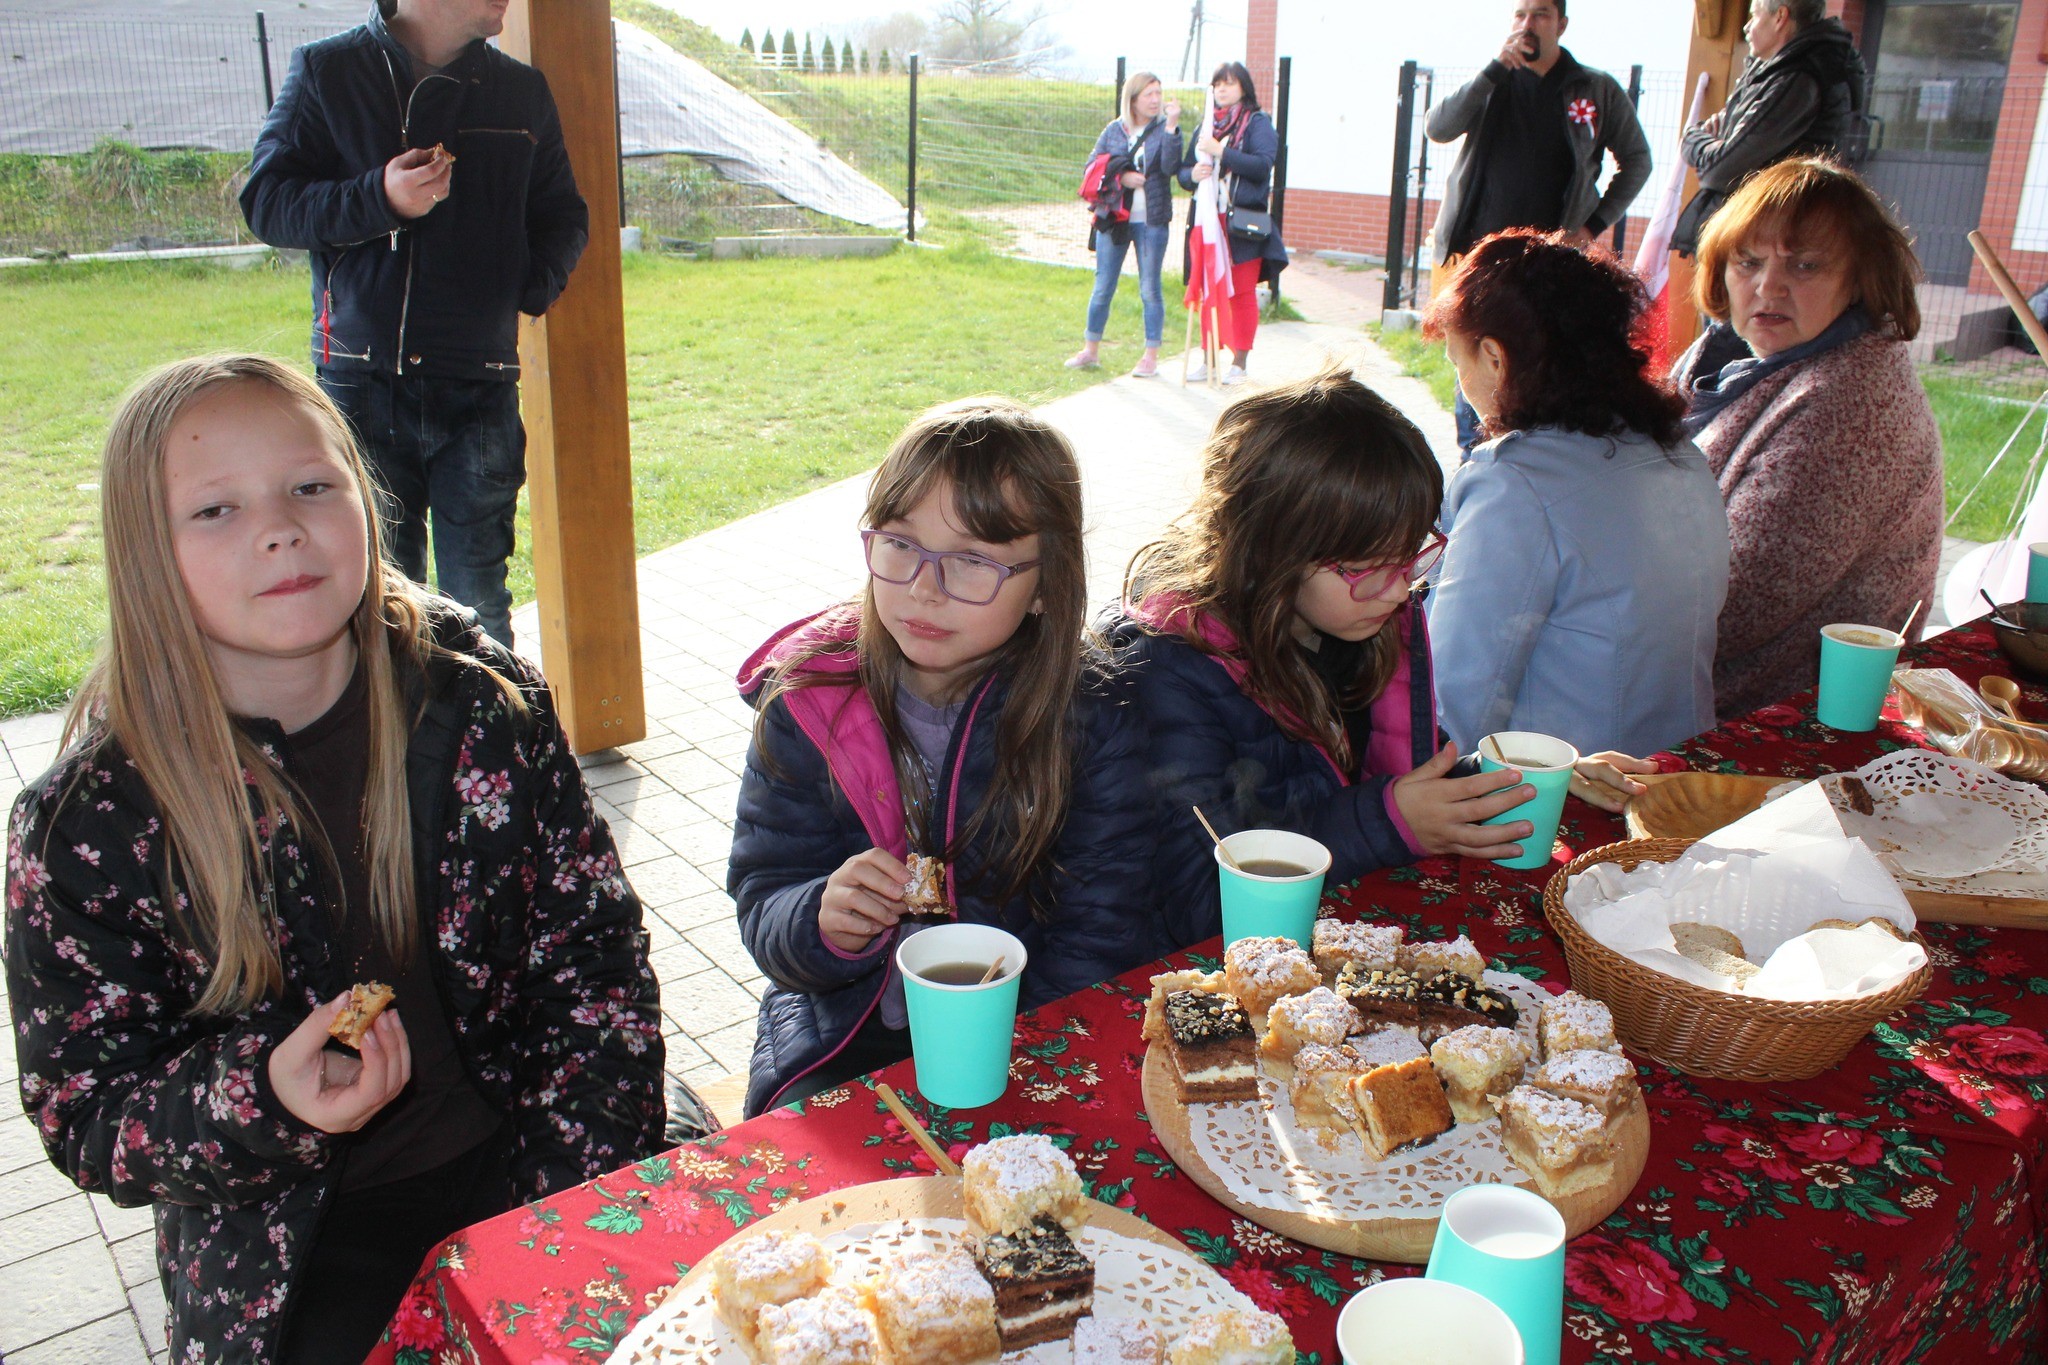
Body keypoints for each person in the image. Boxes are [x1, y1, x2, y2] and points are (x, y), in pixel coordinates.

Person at [2, 355, 666, 1365]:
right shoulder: (85, 824)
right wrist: (264, 1095)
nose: (279, 528)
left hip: (536, 1148)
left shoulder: (483, 704)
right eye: (215, 509)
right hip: (283, 1233)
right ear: (144, 552)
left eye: (311, 485)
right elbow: (85, 1111)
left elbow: (595, 965)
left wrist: (570, 1195)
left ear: (365, 498)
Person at [1109, 367, 1645, 949]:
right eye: (1365, 568)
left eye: (1410, 555)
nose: (1398, 591)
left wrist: (1511, 784)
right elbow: (1201, 899)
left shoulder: (1361, 629)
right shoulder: (1168, 670)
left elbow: (1399, 782)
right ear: (1266, 551)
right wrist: (1386, 822)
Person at [728, 397, 1155, 1118]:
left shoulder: (1089, 715)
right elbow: (763, 895)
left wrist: (1030, 1052)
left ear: (1046, 586)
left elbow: (1102, 929)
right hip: (843, 1033)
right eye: (900, 544)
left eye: (973, 560)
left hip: (1027, 1024)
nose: (924, 589)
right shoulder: (809, 699)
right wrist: (819, 920)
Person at [240, 0, 590, 648]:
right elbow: (266, 202)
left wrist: (520, 286)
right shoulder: (328, 71)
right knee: (377, 605)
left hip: (480, 383)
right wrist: (379, 197)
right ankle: (396, 721)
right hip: (361, 382)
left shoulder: (521, 90)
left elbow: (563, 215)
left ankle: (489, 720)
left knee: (479, 607)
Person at [1423, 230, 1731, 758]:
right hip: (1679, 765)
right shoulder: (1681, 455)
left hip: (1569, 787)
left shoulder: (1514, 483)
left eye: (1458, 363)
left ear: (1495, 359)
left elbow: (1453, 701)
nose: (1463, 386)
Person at [1672, 158, 1941, 719]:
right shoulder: (1731, 355)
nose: (1768, 286)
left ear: (1859, 280)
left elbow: (1735, 608)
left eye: (1806, 265)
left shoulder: (1849, 402)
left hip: (1766, 713)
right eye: (1748, 262)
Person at [1424, 0, 1651, 450]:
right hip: (1480, 262)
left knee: (1539, 365)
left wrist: (1592, 226)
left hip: (1549, 267)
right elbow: (1438, 127)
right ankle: (1475, 457)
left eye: (1541, 15)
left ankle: (1528, 456)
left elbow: (1637, 161)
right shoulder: (1492, 81)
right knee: (1474, 359)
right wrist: (1492, 71)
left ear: (1561, 25)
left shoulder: (1594, 88)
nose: (1528, 25)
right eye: (1520, 14)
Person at [1673, 0, 1867, 256]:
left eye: (1754, 16)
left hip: (1768, 239)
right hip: (1754, 231)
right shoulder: (1772, 71)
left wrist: (1693, 140)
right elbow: (1723, 135)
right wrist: (1705, 140)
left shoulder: (1797, 78)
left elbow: (1720, 170)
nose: (1746, 27)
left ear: (1780, 17)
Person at [1178, 61, 1288, 386]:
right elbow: (1183, 172)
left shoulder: (1257, 122)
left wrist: (1221, 153)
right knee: (1208, 289)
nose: (1222, 89)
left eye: (1229, 83)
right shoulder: (1206, 125)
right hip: (1207, 220)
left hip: (1241, 224)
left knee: (1241, 292)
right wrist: (1192, 174)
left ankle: (1239, 363)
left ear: (1243, 87)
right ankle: (1208, 360)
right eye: (1217, 84)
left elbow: (1262, 165)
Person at [1068, 72, 1183, 378]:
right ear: (1132, 99)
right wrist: (1122, 177)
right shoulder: (1114, 130)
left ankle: (1150, 357)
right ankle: (1090, 350)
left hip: (1151, 221)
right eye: (1149, 94)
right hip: (1115, 219)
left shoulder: (1165, 129)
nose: (1156, 100)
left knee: (1150, 289)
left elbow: (1171, 167)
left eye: (1158, 93)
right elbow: (1091, 166)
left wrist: (1171, 128)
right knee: (1103, 286)